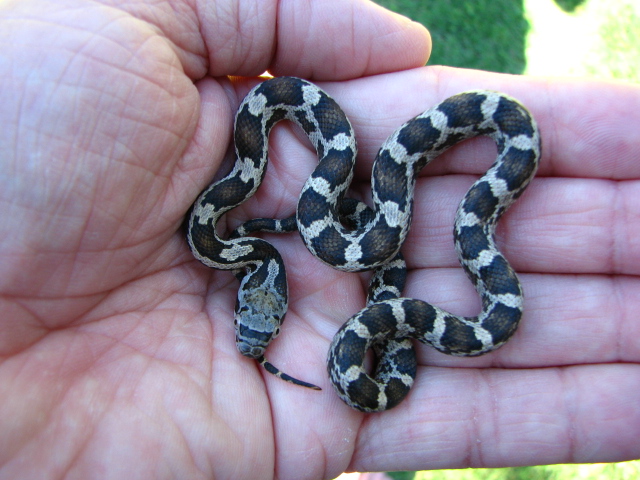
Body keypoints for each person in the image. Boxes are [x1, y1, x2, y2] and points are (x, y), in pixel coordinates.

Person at [1, 0, 638, 479]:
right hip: (327, 238)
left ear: (257, 294)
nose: (259, 333)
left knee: (458, 225)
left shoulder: (269, 217)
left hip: (407, 193)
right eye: (264, 330)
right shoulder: (228, 226)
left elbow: (306, 209)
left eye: (257, 327)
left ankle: (429, 270)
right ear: (263, 290)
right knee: (387, 251)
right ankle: (393, 317)